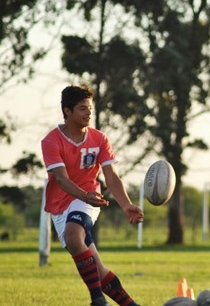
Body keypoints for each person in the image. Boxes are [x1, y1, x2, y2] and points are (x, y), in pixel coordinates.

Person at [41, 85, 144, 306]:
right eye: (82, 108)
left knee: (73, 235)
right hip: (61, 204)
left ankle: (97, 300)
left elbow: (112, 176)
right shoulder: (51, 141)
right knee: (98, 269)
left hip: (87, 199)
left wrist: (126, 205)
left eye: (90, 108)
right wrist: (84, 195)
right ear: (67, 111)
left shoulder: (100, 139)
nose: (89, 113)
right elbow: (60, 179)